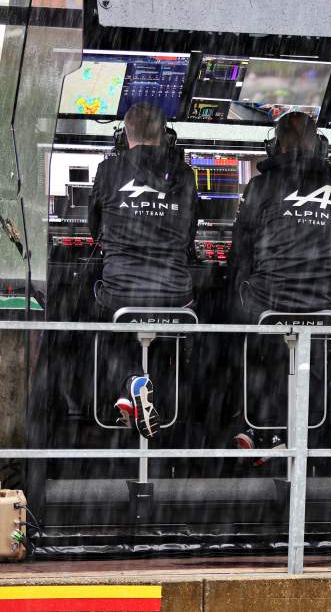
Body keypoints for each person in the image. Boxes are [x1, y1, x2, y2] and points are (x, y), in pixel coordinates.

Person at [228, 111, 331, 457]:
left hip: (269, 309)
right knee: (310, 353)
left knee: (233, 325)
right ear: (322, 148)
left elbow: (238, 253)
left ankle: (256, 422)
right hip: (323, 312)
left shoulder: (260, 187)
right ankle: (300, 430)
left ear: (275, 148)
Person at [88, 102, 197, 438]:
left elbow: (95, 230)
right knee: (167, 336)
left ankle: (128, 384)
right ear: (166, 137)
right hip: (174, 298)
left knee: (99, 319)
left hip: (121, 295)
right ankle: (149, 395)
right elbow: (190, 233)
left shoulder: (109, 171)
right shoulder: (185, 173)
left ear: (124, 136)